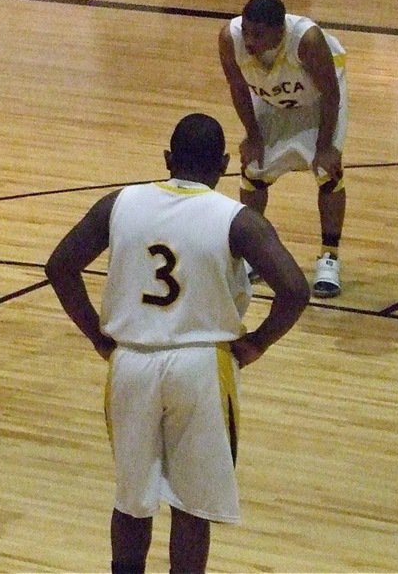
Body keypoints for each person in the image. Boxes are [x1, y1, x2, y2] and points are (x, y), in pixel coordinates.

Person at [45, 113, 310, 574]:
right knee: (192, 503)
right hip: (201, 366)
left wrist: (96, 336)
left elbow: (59, 266)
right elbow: (294, 289)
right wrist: (257, 344)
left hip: (131, 361)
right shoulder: (238, 220)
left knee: (132, 498)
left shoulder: (119, 203)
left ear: (167, 158)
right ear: (224, 164)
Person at [219, 0, 348, 298]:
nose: (249, 40)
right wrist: (252, 135)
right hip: (271, 99)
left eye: (258, 34)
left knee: (327, 172)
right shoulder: (229, 38)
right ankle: (255, 255)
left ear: (280, 31)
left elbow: (331, 94)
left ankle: (329, 257)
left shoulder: (308, 40)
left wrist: (326, 145)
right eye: (247, 31)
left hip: (318, 101)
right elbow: (237, 87)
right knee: (254, 169)